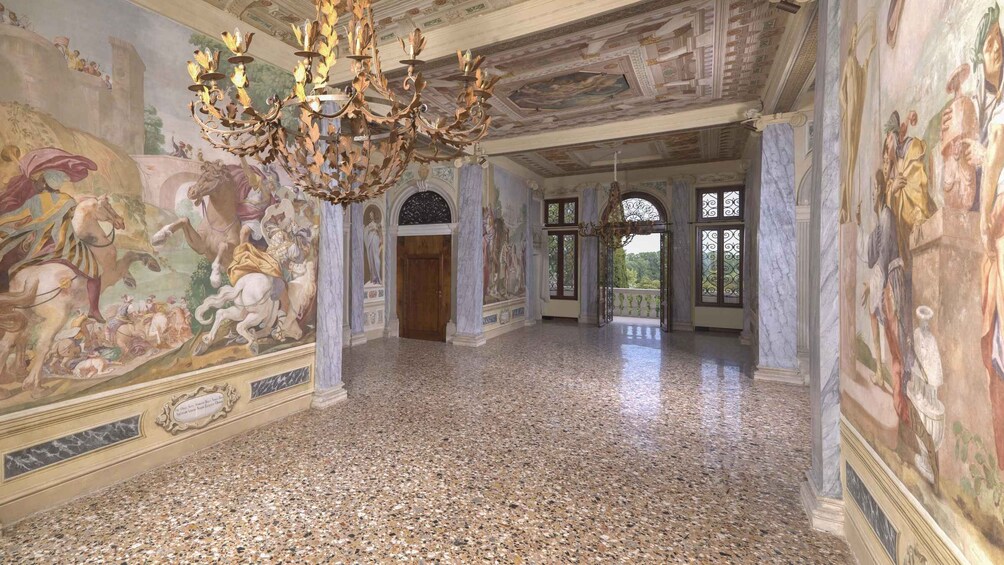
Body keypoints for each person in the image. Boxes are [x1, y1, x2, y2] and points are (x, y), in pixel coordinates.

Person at [0, 148, 103, 320]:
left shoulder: (34, 200)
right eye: (60, 179)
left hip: (36, 247)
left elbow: (14, 218)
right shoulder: (67, 200)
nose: (62, 181)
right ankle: (94, 310)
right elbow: (71, 221)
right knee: (96, 270)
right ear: (54, 182)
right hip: (64, 246)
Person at [363, 208, 382, 285]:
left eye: (372, 214)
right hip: (370, 240)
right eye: (370, 215)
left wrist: (376, 230)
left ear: (374, 215)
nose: (371, 216)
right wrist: (366, 229)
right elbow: (365, 232)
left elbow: (380, 233)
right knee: (370, 258)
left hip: (375, 239)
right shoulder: (369, 225)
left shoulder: (377, 224)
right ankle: (373, 277)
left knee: (376, 257)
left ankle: (378, 277)